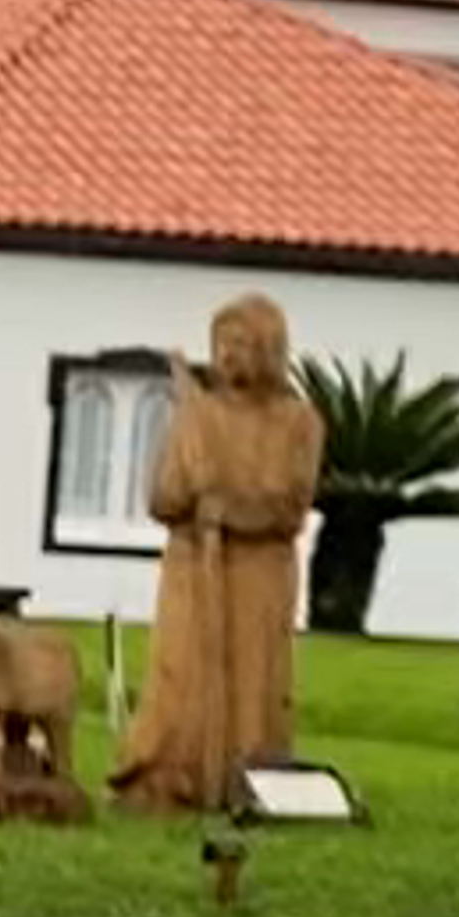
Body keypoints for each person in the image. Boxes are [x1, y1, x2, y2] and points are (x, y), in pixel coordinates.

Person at [110, 294, 327, 812]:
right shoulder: (197, 419)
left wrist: (233, 512)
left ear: (270, 351)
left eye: (242, 345)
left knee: (253, 676)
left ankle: (245, 771)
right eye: (221, 345)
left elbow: (291, 508)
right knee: (180, 673)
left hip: (259, 571)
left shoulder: (298, 424)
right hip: (192, 565)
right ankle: (174, 770)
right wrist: (191, 502)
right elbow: (162, 498)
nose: (228, 356)